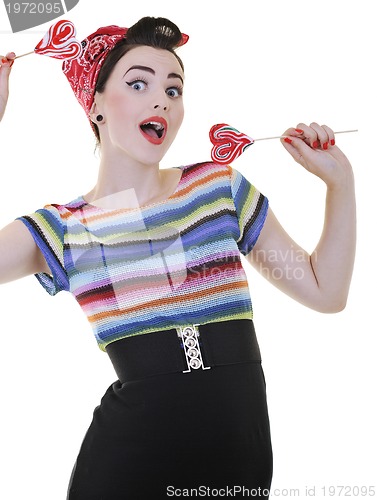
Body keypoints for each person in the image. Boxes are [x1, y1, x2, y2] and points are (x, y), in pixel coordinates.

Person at [0, 16, 356, 500]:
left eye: (173, 89)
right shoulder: (65, 228)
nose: (160, 101)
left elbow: (325, 290)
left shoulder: (216, 189)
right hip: (126, 471)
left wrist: (340, 184)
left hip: (238, 470)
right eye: (139, 83)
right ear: (96, 104)